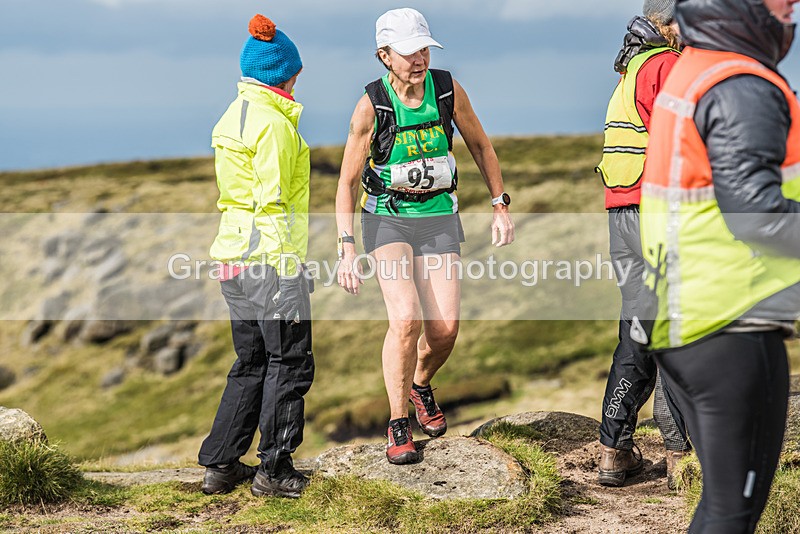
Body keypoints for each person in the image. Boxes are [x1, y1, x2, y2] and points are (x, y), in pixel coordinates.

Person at [638, 0, 800, 530]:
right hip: (730, 322)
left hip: (690, 318)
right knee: (733, 514)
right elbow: (756, 212)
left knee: (721, 508)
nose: (791, 6)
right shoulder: (740, 84)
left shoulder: (694, 68)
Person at [335, 8, 515, 465]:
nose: (419, 59)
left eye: (424, 49)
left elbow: (481, 145)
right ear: (384, 55)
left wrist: (500, 203)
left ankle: (419, 387)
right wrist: (346, 245)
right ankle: (397, 424)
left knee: (445, 331)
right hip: (388, 219)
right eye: (408, 51)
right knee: (406, 320)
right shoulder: (370, 107)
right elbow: (347, 183)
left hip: (439, 219)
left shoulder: (448, 90)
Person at [198, 14, 315, 499]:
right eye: (295, 72)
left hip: (233, 258)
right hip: (268, 261)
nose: (297, 79)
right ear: (281, 74)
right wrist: (290, 270)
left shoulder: (231, 117)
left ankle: (222, 465)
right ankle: (274, 470)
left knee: (250, 361)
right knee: (289, 361)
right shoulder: (274, 126)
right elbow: (273, 205)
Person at [595, 0, 691, 489]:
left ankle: (613, 448)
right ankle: (679, 455)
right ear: (668, 24)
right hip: (656, 215)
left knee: (638, 326)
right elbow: (685, 143)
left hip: (621, 215)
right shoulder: (667, 66)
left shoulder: (630, 65)